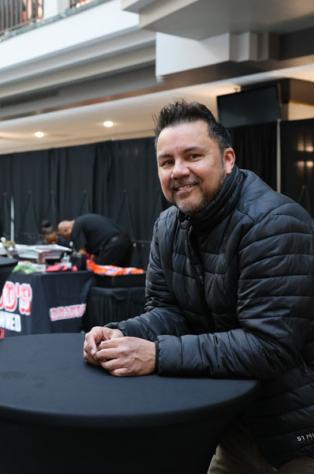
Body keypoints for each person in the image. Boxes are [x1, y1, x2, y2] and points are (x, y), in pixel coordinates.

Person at [83, 101, 314, 472]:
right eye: (166, 161)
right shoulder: (167, 225)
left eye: (193, 156)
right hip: (231, 421)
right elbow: (168, 312)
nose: (179, 171)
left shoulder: (274, 223)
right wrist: (120, 333)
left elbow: (271, 346)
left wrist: (156, 354)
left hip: (294, 426)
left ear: (227, 159)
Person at [58, 213, 132, 266]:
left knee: (102, 273)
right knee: (123, 276)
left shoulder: (76, 226)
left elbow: (81, 253)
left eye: (67, 237)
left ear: (66, 230)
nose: (69, 238)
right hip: (126, 241)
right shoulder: (87, 219)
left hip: (113, 245)